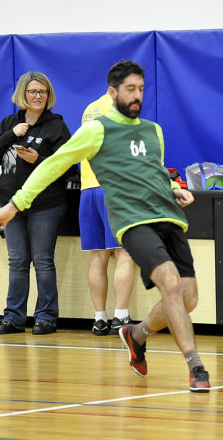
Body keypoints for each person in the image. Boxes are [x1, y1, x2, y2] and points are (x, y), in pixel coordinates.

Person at [0, 60, 211, 393]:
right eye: (130, 89)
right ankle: (196, 366)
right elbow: (53, 166)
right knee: (170, 284)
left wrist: (173, 188)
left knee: (188, 299)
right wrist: (13, 205)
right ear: (113, 92)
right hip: (132, 220)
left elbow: (153, 171)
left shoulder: (153, 130)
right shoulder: (96, 130)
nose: (137, 95)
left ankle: (137, 334)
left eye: (141, 89)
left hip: (168, 218)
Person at [0, 71, 71, 336]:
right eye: (32, 91)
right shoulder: (9, 123)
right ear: (23, 94)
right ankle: (13, 318)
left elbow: (69, 168)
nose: (38, 96)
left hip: (46, 204)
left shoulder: (56, 126)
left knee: (43, 261)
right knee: (17, 261)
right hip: (11, 203)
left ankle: (46, 317)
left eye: (43, 92)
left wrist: (39, 160)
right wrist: (11, 134)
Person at [79, 93, 136, 336]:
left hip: (88, 188)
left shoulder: (90, 108)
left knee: (98, 255)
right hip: (114, 187)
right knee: (125, 252)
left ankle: (99, 319)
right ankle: (121, 317)